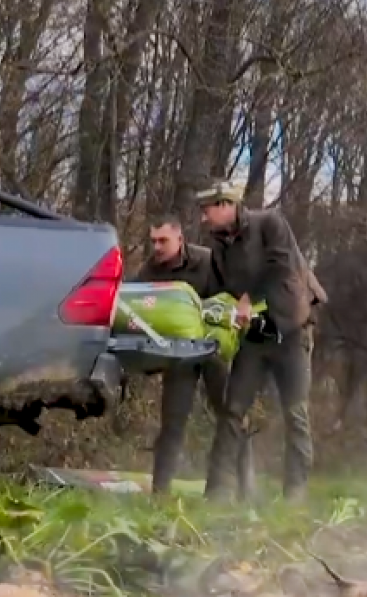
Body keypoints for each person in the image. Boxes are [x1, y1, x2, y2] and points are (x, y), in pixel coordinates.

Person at [194, 179, 317, 501]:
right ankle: (218, 492)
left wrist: (249, 298)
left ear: (226, 206)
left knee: (295, 414)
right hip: (254, 337)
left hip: (290, 332)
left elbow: (280, 266)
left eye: (206, 210)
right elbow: (218, 288)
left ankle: (296, 494)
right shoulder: (219, 246)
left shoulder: (270, 224)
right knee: (233, 411)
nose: (202, 218)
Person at [132, 216, 236, 496]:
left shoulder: (207, 261)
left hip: (214, 349)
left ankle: (239, 487)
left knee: (230, 415)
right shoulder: (149, 271)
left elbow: (234, 296)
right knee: (172, 422)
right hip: (179, 356)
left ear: (180, 239)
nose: (157, 247)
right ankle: (160, 493)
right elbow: (135, 307)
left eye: (163, 240)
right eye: (153, 241)